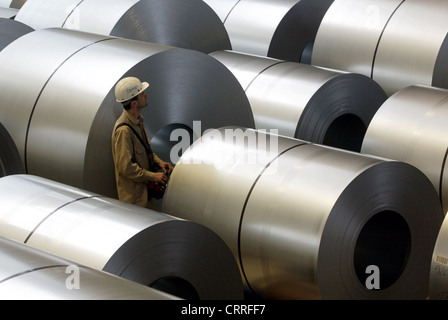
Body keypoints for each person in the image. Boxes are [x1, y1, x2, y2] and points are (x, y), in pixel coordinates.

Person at [111, 76, 173, 209]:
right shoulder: (124, 131)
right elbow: (125, 167)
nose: (146, 94)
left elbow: (145, 150)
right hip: (134, 201)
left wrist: (158, 162)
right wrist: (153, 176)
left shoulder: (138, 121)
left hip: (144, 194)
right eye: (141, 93)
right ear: (134, 102)